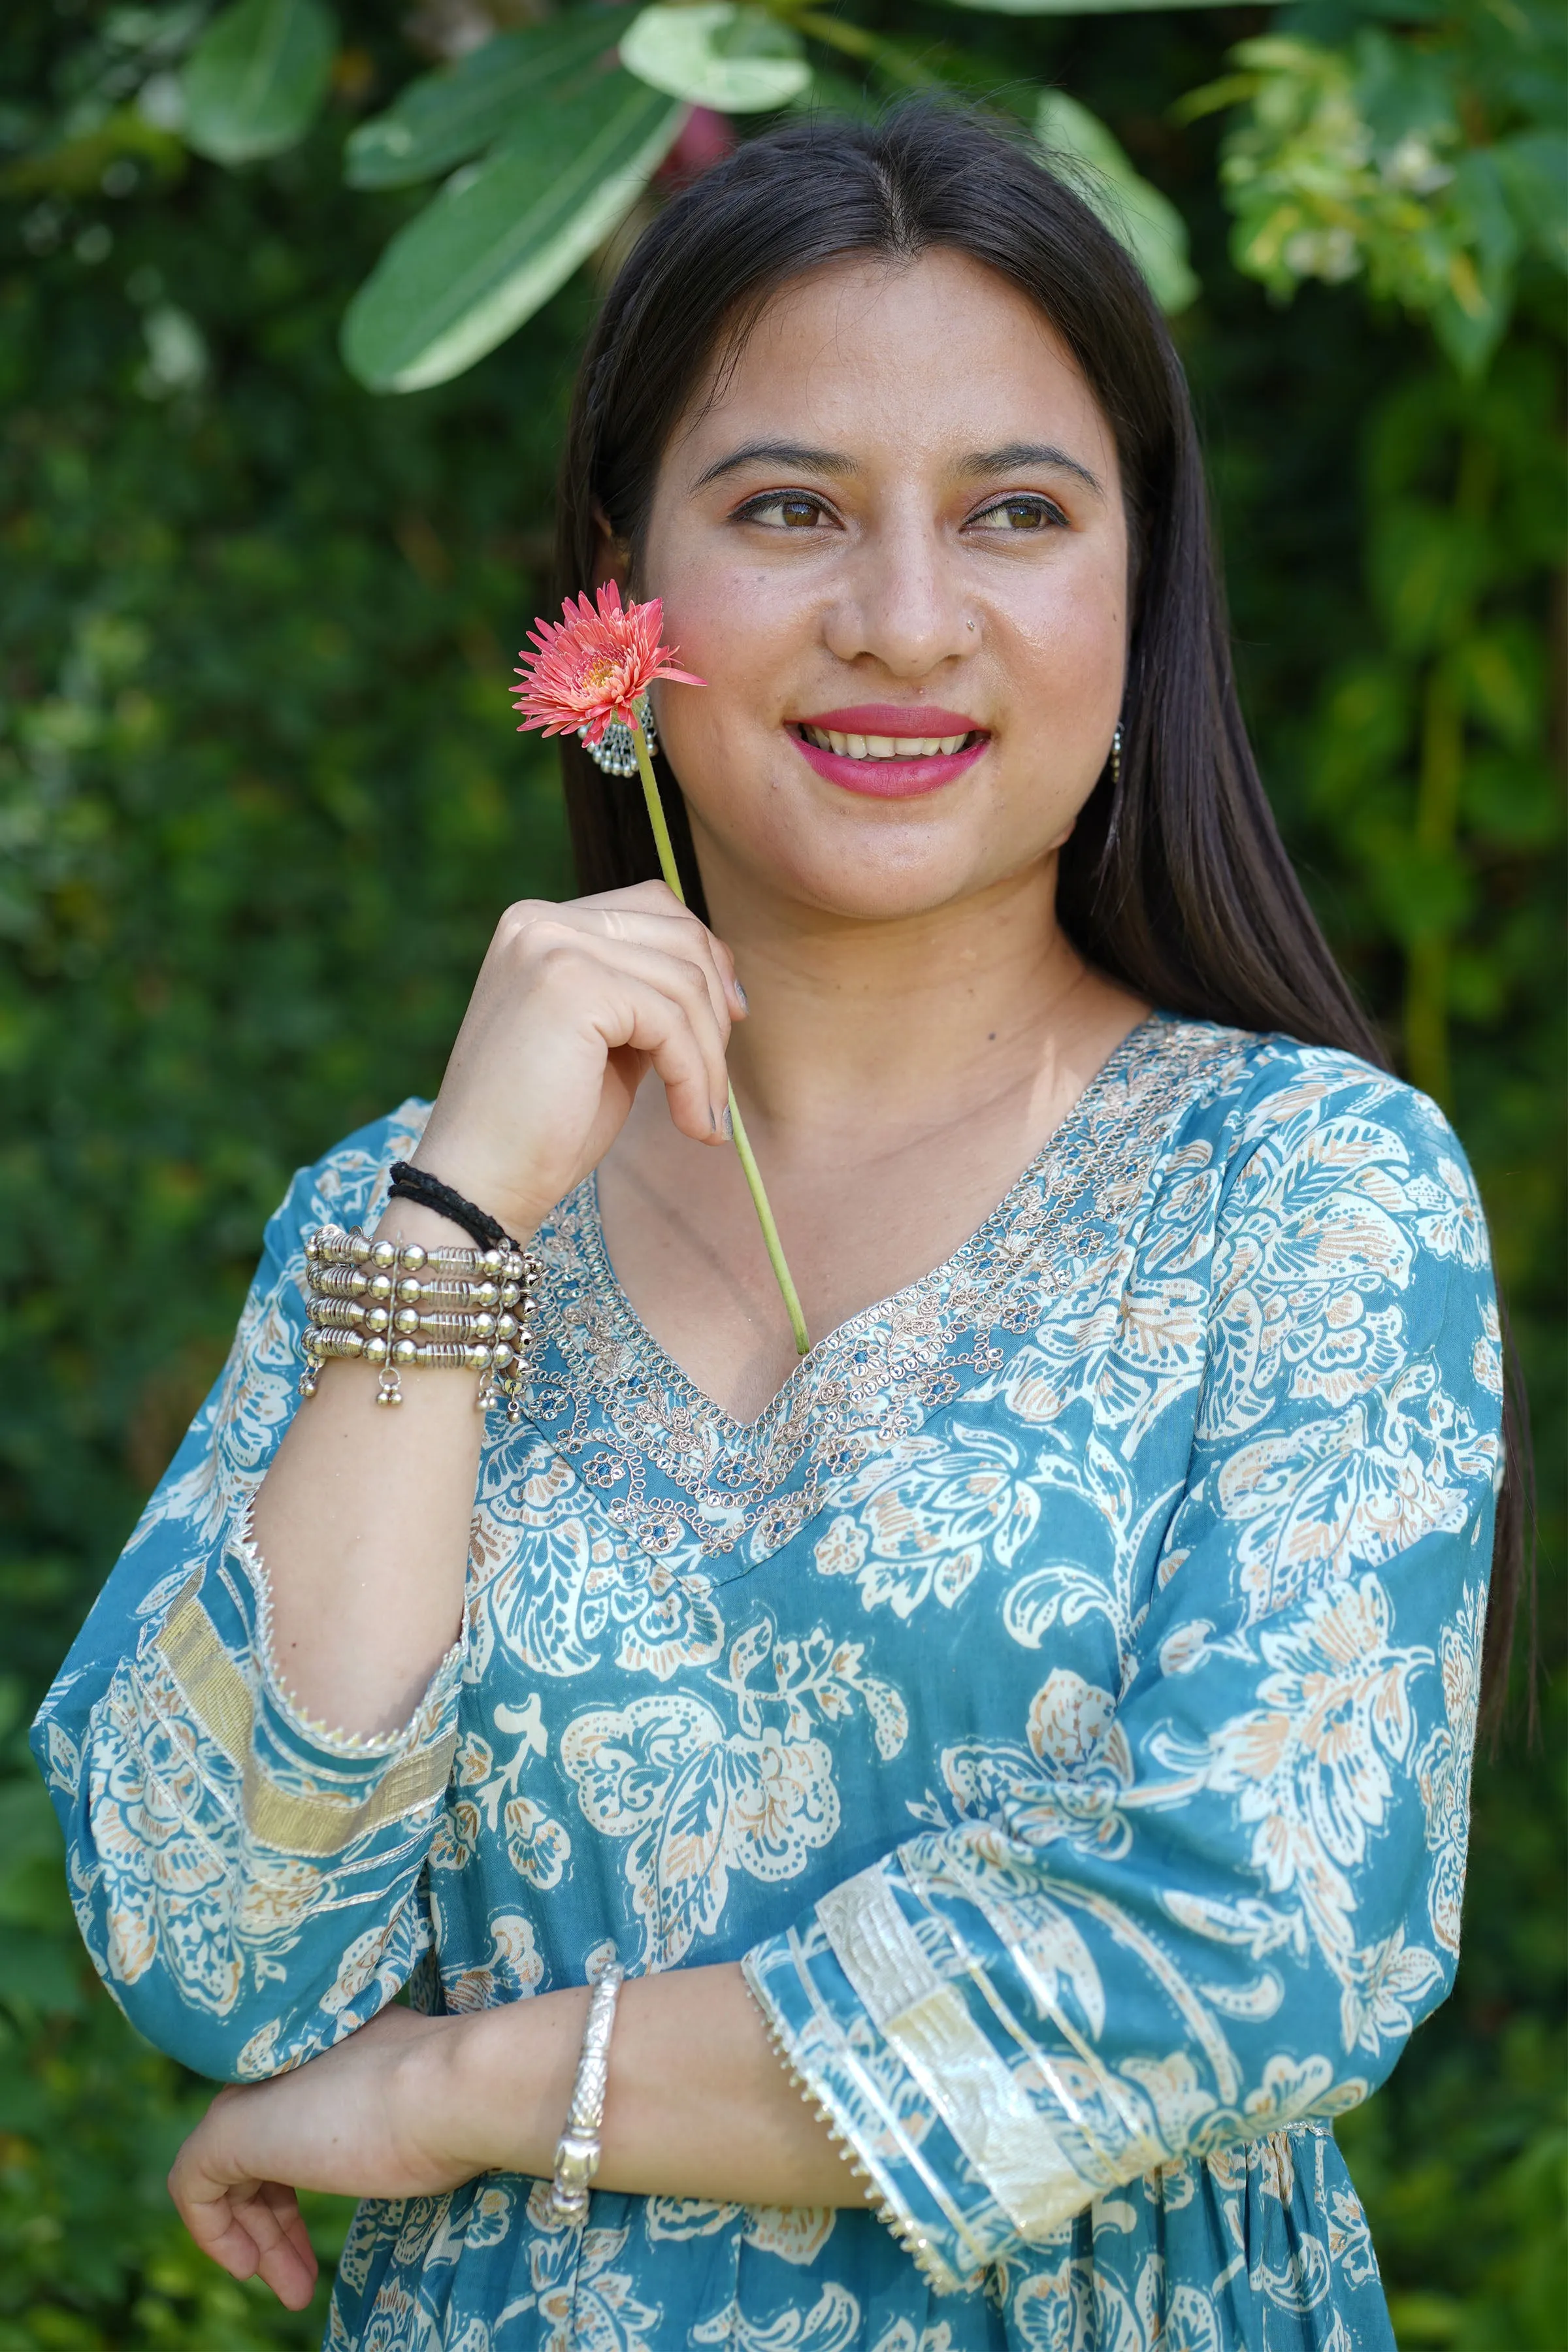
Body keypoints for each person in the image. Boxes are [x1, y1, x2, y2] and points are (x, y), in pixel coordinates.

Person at [32, 105, 1519, 2352]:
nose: (904, 621)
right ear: (618, 595)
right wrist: (460, 1210)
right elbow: (214, 1948)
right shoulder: (404, 1216)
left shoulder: (1308, 1191)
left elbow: (1253, 1937)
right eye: (788, 508)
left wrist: (458, 2088)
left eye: (1018, 512)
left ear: (1142, 589)